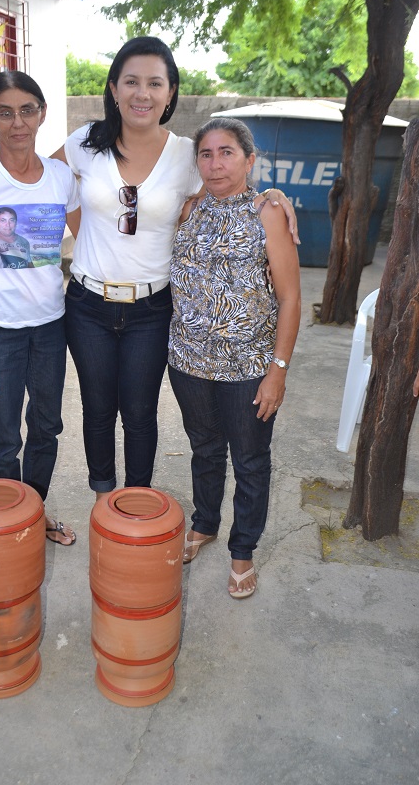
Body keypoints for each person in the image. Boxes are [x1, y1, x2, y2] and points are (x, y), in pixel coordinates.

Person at [0, 37, 299, 503]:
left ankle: (132, 501)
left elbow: (227, 183)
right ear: (113, 89)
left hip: (152, 308)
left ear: (171, 93)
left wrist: (272, 196)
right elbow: (26, 170)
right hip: (87, 305)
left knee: (139, 412)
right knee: (95, 410)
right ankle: (101, 498)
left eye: (155, 83)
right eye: (131, 81)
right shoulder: (83, 143)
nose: (143, 93)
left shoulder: (184, 155)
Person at [169, 117, 301, 599]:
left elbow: (290, 298)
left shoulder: (266, 211)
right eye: (206, 153)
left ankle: (242, 549)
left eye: (227, 152)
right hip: (187, 362)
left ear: (249, 161)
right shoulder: (190, 209)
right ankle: (204, 523)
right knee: (204, 449)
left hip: (248, 369)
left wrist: (277, 372)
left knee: (249, 460)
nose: (215, 162)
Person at [0, 70, 79, 545]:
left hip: (50, 327)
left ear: (41, 113)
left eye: (27, 110)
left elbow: (93, 238)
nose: (17, 122)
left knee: (46, 427)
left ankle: (34, 512)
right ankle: (6, 525)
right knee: (4, 433)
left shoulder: (62, 177)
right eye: (4, 112)